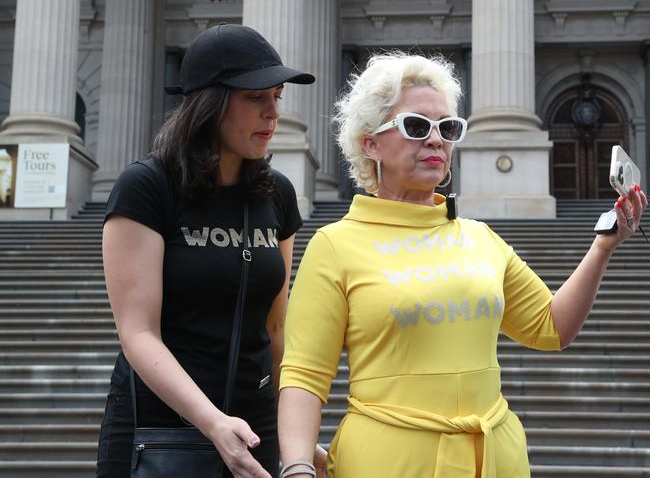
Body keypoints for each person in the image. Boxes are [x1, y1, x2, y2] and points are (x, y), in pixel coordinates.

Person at [276, 52, 647, 478]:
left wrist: (603, 246)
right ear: (370, 142)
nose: (436, 140)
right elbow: (304, 377)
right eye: (416, 126)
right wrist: (298, 466)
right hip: (387, 464)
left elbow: (552, 327)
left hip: (494, 460)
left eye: (447, 128)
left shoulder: (480, 237)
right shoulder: (334, 244)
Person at [96, 24, 316, 478]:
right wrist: (212, 422)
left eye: (277, 96)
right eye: (256, 98)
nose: (273, 113)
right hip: (161, 428)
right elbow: (138, 333)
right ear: (209, 104)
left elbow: (277, 326)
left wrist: (296, 435)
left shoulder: (277, 195)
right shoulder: (147, 186)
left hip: (254, 427)